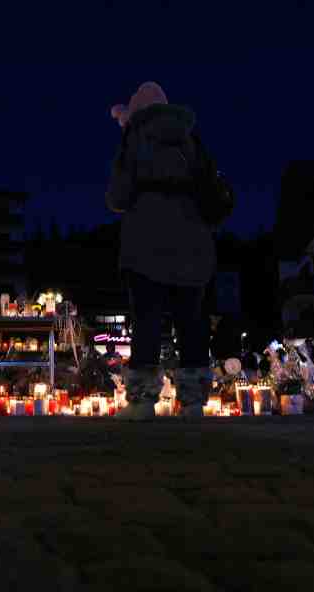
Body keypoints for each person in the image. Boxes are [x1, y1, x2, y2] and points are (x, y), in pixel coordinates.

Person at [105, 81, 225, 420]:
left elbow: (117, 196)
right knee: (192, 321)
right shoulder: (191, 140)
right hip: (193, 243)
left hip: (146, 241)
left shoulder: (135, 139)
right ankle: (193, 402)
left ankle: (143, 401)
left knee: (147, 319)